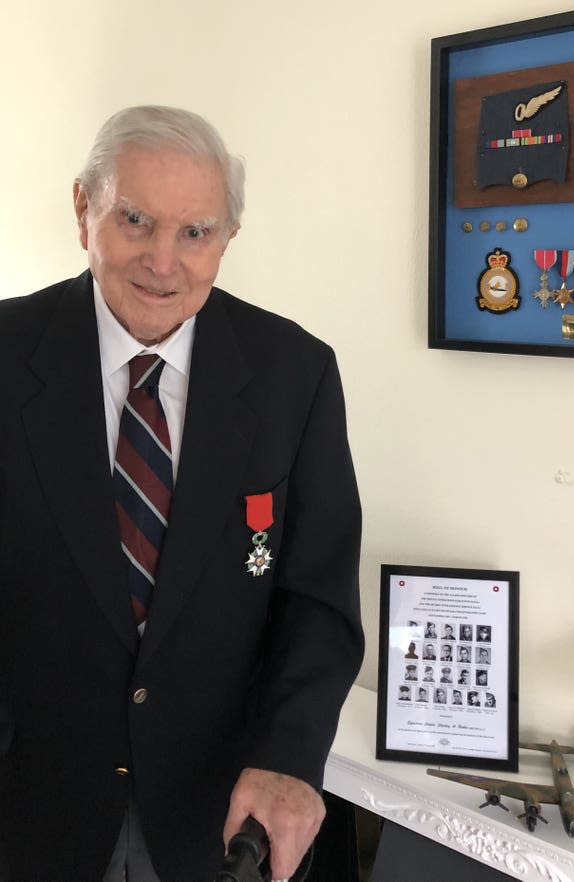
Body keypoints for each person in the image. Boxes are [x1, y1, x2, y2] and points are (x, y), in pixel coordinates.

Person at [0, 106, 363, 882]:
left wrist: (289, 755)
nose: (163, 261)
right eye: (134, 220)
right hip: (26, 813)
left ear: (228, 238)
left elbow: (318, 598)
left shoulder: (294, 374)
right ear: (81, 210)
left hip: (220, 821)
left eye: (195, 232)